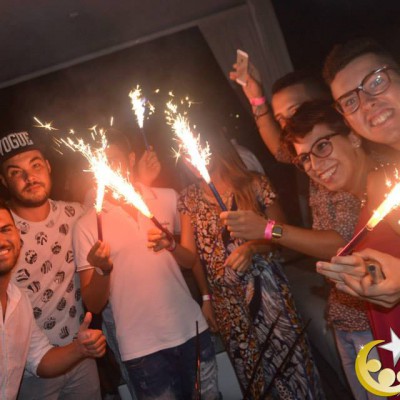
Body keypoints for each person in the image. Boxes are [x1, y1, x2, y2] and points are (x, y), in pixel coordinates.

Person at [222, 100, 382, 399]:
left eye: (322, 146)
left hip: (375, 325)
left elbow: (342, 244)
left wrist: (268, 229)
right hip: (348, 318)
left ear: (353, 135)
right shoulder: (353, 189)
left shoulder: (384, 188)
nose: (316, 166)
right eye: (305, 158)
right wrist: (255, 100)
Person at [149, 127, 324, 399]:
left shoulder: (254, 183)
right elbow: (191, 258)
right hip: (229, 307)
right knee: (255, 382)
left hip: (270, 296)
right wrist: (172, 247)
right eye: (185, 156)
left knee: (295, 373)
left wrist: (253, 248)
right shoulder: (188, 199)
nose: (192, 160)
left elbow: (283, 234)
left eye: (196, 151)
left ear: (214, 148)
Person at [73, 131, 219, 400]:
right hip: (142, 349)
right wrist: (103, 269)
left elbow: (190, 259)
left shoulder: (167, 197)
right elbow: (93, 304)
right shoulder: (86, 225)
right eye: (100, 162)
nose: (107, 167)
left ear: (131, 159)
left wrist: (172, 246)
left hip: (192, 330)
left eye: (113, 159)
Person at [0, 130, 103, 400]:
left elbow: (106, 209)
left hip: (80, 352)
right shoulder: (3, 230)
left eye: (35, 165)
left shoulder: (75, 215)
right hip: (25, 370)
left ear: (48, 166)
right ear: (4, 181)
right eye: (16, 172)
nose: (29, 177)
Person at [319, 38, 400, 311]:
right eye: (350, 101)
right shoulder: (389, 186)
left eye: (376, 82)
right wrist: (377, 271)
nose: (367, 104)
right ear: (347, 121)